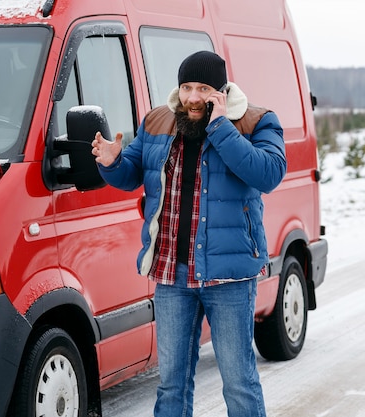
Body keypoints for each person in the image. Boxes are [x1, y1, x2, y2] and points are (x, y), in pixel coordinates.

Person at [91, 50, 286, 417]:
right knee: (171, 385)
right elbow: (133, 172)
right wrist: (113, 161)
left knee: (239, 382)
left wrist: (221, 126)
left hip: (228, 277)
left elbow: (269, 173)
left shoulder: (256, 120)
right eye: (186, 87)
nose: (193, 98)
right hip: (171, 275)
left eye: (203, 89)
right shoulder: (158, 121)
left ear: (221, 91)